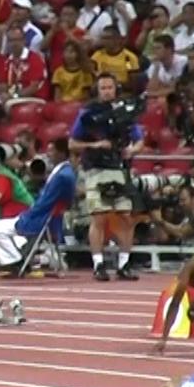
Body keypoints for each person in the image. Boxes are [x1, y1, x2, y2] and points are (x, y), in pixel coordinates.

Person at [69, 72, 143, 281]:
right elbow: (72, 144)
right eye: (103, 88)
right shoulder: (88, 113)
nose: (107, 91)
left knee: (127, 217)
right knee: (98, 218)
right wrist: (95, 145)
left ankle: (124, 264)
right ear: (98, 90)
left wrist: (133, 150)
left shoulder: (125, 111)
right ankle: (98, 264)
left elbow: (139, 140)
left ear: (115, 88)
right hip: (95, 169)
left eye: (110, 87)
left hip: (120, 169)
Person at [0, 142, 77, 275]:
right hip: (50, 218)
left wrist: (28, 214)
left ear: (61, 153)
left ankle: (14, 262)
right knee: (15, 237)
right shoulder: (66, 172)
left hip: (40, 219)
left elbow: (45, 202)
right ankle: (18, 260)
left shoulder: (61, 176)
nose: (48, 154)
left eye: (51, 151)